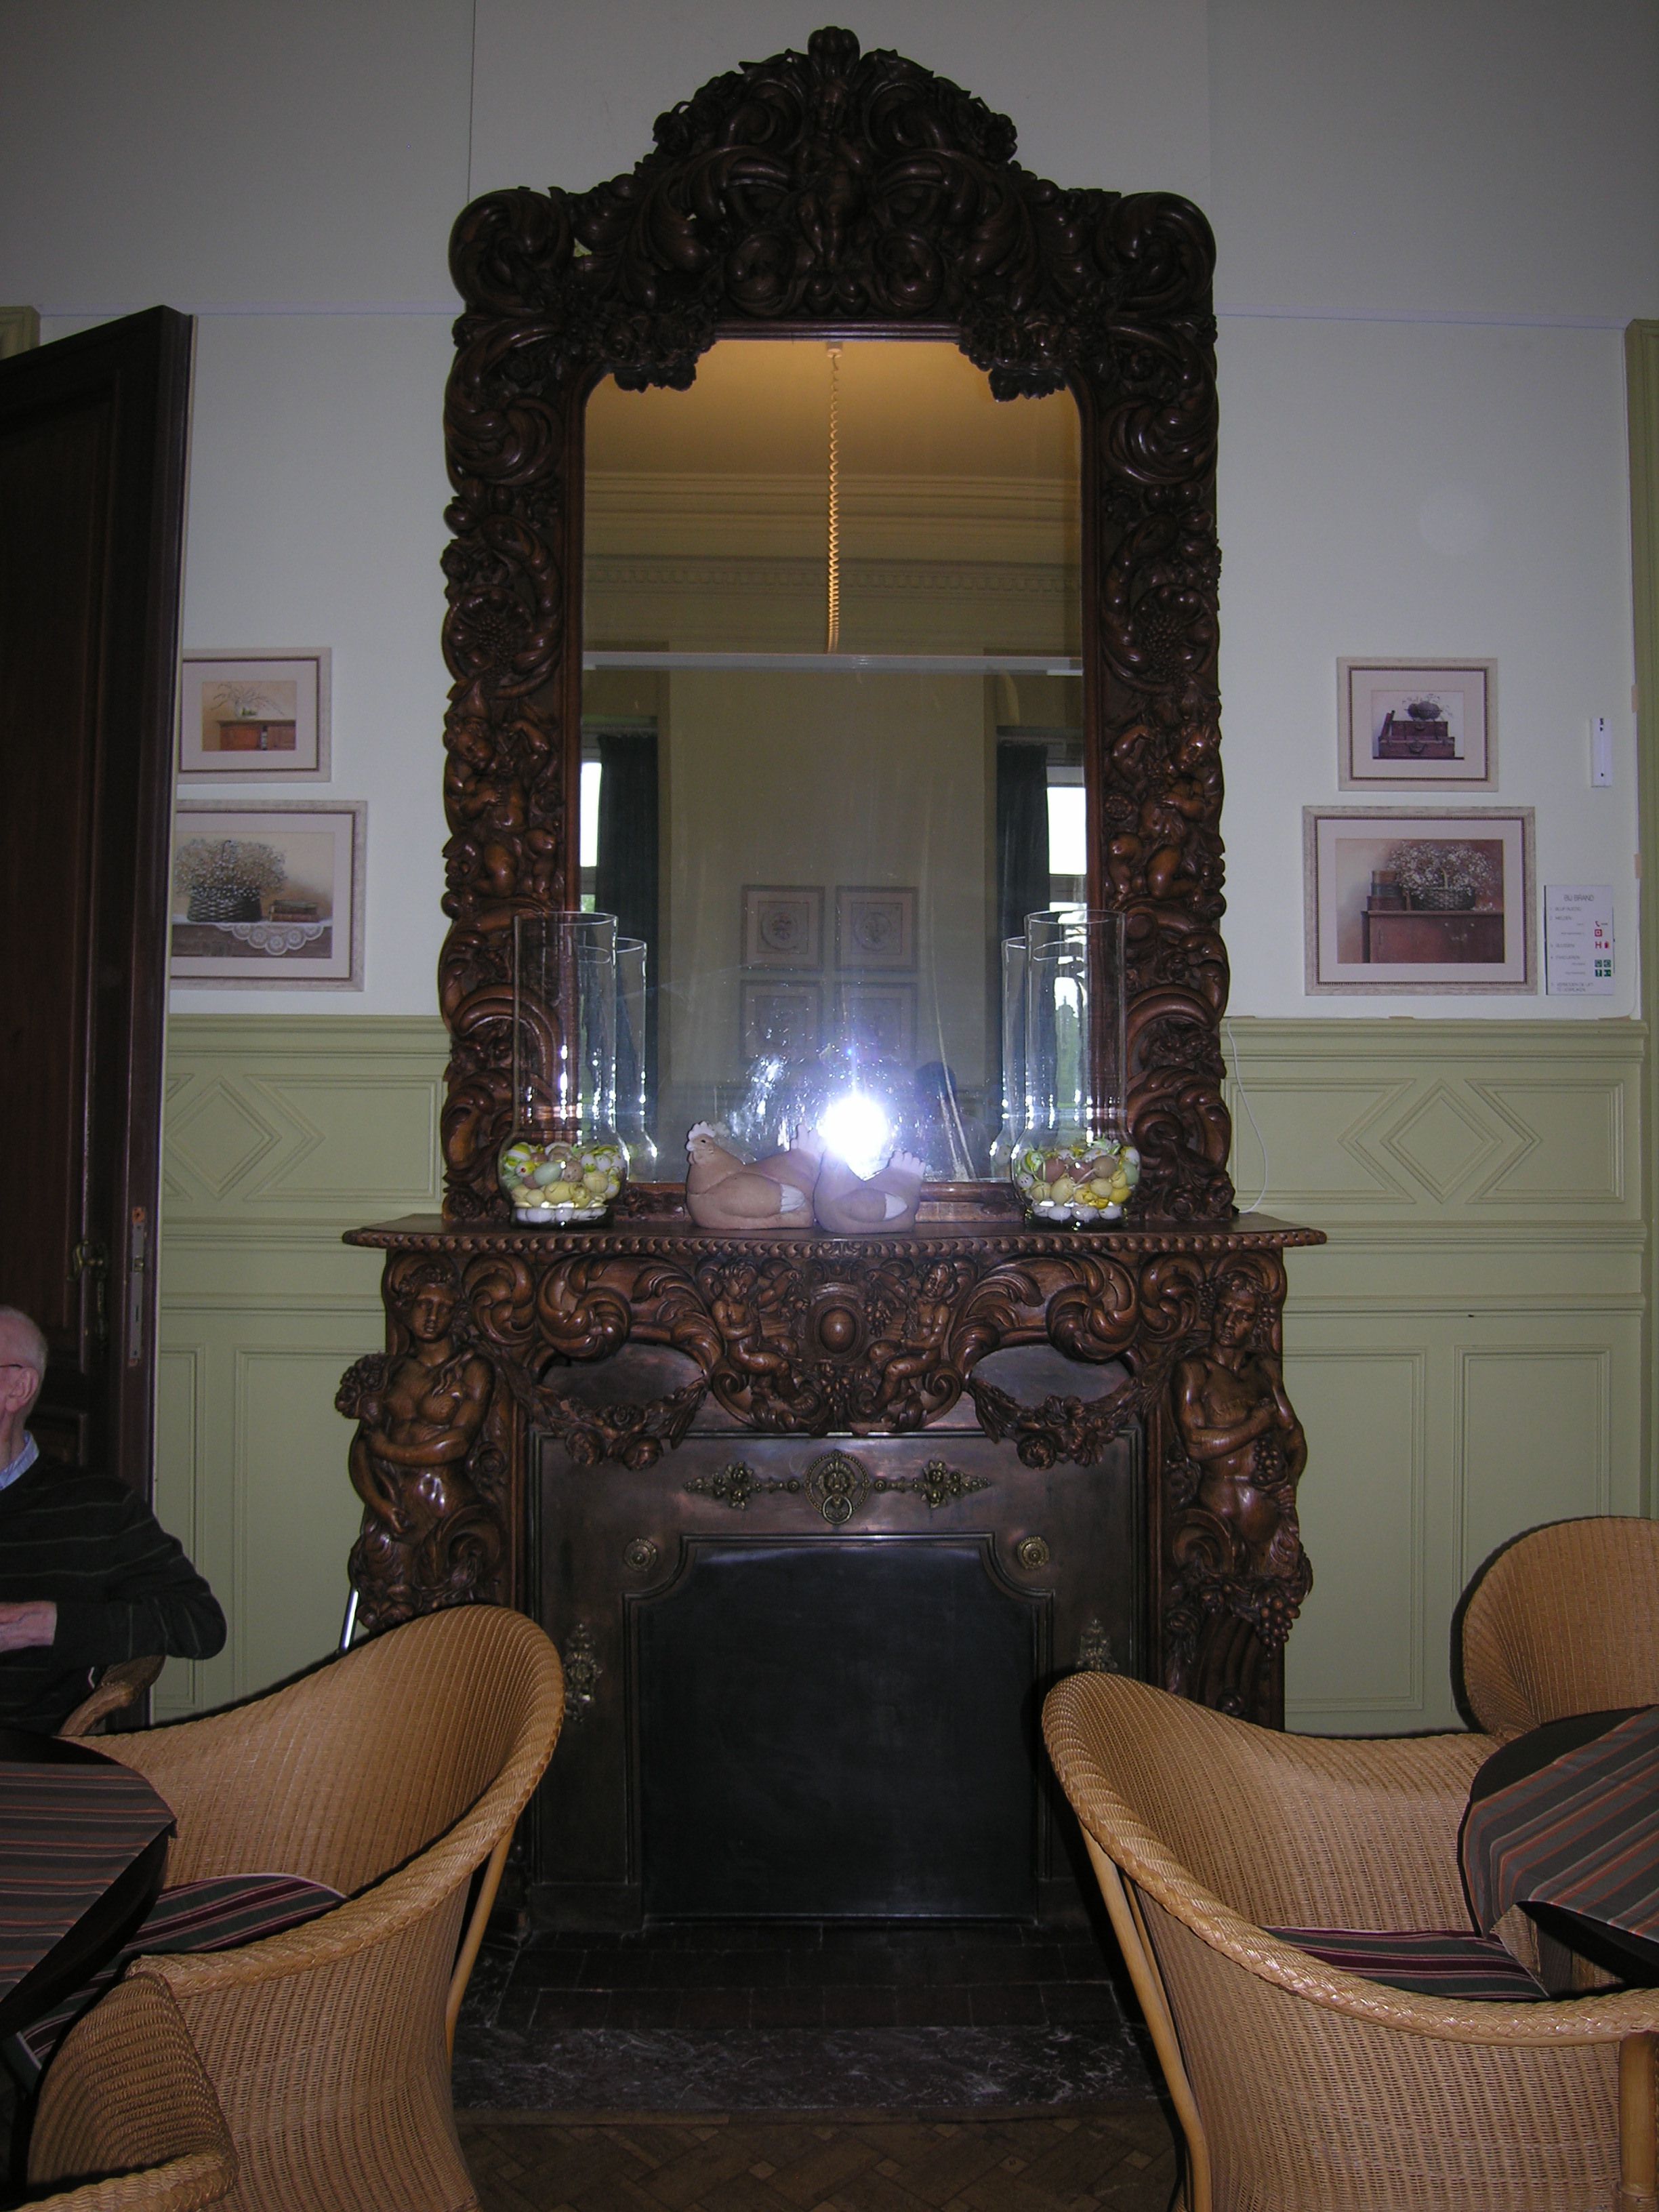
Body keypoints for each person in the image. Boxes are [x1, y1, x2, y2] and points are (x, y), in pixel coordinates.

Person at [0, 1306, 225, 1734]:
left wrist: (53, 1626)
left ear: (18, 1388)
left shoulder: (96, 1508)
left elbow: (201, 1624)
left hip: (28, 1754)